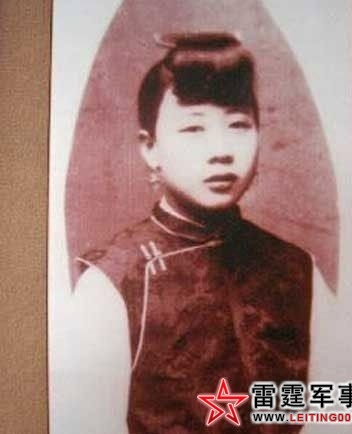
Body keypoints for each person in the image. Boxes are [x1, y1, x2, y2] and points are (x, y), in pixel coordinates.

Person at [70, 32, 312, 434]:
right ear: (150, 148)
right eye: (194, 128)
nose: (221, 150)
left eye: (238, 124)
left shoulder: (298, 270)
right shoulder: (112, 282)